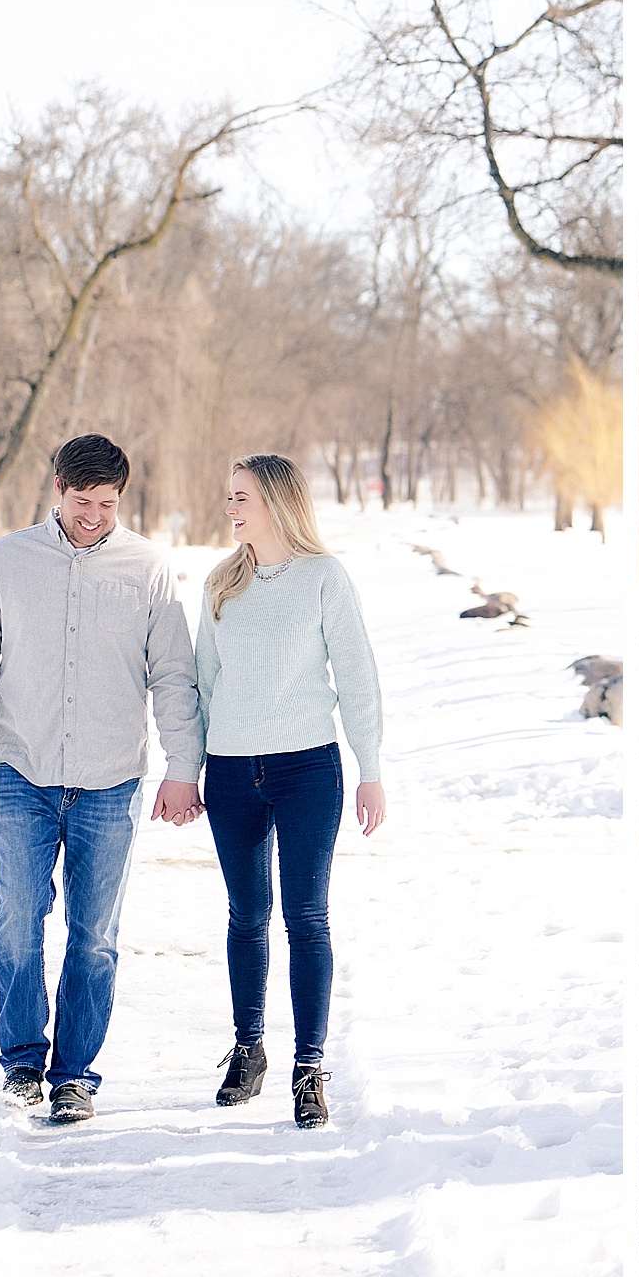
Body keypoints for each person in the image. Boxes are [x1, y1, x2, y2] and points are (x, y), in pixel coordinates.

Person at [0, 434, 205, 1125]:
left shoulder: (147, 568)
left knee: (94, 935)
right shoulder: (8, 560)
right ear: (57, 486)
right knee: (18, 921)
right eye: (82, 501)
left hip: (111, 781)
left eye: (108, 504)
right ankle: (23, 1065)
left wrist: (184, 768)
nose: (93, 516)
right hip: (19, 772)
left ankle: (75, 1075)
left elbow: (173, 675)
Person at [194, 454, 386, 1130]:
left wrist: (371, 767)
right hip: (231, 771)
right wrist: (190, 770)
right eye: (229, 496)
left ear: (276, 501)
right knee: (246, 914)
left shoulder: (325, 579)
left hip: (309, 769)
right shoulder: (222, 583)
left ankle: (309, 1067)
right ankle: (249, 1049)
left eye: (241, 495)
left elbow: (357, 675)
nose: (231, 507)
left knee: (306, 916)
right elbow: (202, 686)